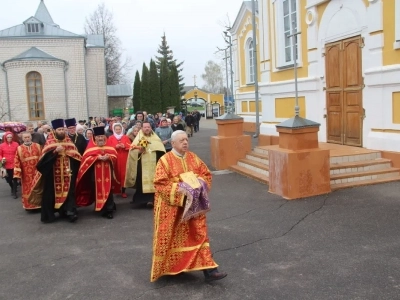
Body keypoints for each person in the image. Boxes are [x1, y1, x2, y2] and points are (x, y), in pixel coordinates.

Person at [150, 130, 227, 282]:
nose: (185, 142)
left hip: (194, 208)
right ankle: (175, 268)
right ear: (173, 143)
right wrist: (182, 189)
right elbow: (160, 184)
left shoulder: (194, 158)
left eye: (186, 140)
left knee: (199, 235)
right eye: (181, 140)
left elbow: (206, 174)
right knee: (174, 239)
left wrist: (199, 183)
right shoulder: (165, 161)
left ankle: (210, 271)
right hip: (173, 209)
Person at [28, 119, 81, 223]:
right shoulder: (49, 143)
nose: (61, 131)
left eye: (62, 129)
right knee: (50, 194)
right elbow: (42, 162)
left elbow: (77, 156)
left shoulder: (69, 142)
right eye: (59, 129)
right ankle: (49, 215)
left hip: (67, 174)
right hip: (52, 175)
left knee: (69, 193)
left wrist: (69, 154)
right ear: (54, 130)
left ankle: (69, 212)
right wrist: (55, 152)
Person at [75, 126, 118, 219]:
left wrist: (109, 157)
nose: (100, 138)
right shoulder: (91, 148)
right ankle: (101, 208)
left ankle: (109, 209)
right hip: (94, 174)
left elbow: (115, 156)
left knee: (108, 190)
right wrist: (96, 158)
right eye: (98, 137)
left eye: (102, 136)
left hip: (108, 173)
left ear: (104, 137)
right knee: (97, 190)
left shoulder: (109, 146)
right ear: (95, 138)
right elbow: (85, 159)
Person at [125, 121, 165, 208]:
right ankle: (141, 200)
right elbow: (132, 151)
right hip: (141, 166)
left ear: (151, 128)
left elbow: (161, 151)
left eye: (148, 127)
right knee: (141, 182)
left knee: (154, 182)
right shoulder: (138, 138)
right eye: (145, 127)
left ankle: (151, 200)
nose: (147, 128)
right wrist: (139, 151)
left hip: (154, 166)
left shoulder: (156, 138)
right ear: (142, 128)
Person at [13, 132, 42, 210]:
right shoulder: (19, 148)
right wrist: (17, 174)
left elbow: (42, 159)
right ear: (22, 139)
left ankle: (39, 204)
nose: (27, 139)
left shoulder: (38, 146)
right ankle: (29, 206)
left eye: (28, 137)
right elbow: (16, 161)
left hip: (37, 172)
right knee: (28, 189)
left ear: (31, 137)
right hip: (26, 174)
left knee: (38, 187)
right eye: (25, 137)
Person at [108, 123, 130, 198]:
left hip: (124, 158)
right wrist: (115, 146)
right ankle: (116, 189)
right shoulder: (111, 138)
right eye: (116, 129)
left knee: (124, 174)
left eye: (119, 129)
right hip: (115, 158)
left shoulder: (125, 137)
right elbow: (108, 148)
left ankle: (123, 191)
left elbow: (130, 146)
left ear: (122, 129)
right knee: (116, 173)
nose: (118, 131)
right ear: (114, 130)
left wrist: (124, 146)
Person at [0, 132, 19, 198]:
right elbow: (0, 154)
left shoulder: (16, 144)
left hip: (15, 163)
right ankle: (12, 187)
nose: (9, 138)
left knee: (15, 178)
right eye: (8, 137)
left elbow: (18, 152)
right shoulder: (2, 145)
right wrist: (2, 159)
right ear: (5, 138)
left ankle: (14, 192)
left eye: (11, 137)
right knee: (8, 179)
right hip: (6, 164)